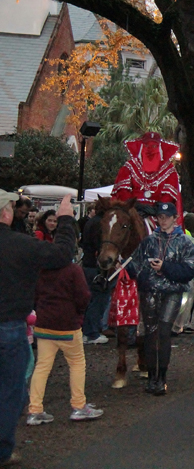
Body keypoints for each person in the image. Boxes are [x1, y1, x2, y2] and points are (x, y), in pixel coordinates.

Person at [0, 191, 76, 467]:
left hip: (12, 324)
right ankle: (2, 449)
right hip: (10, 325)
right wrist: (66, 220)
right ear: (6, 214)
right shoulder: (19, 245)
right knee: (12, 390)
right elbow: (62, 254)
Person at [126, 202, 194, 396]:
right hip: (149, 292)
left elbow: (190, 270)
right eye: (160, 217)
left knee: (164, 331)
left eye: (167, 217)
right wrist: (135, 270)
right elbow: (134, 266)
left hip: (172, 292)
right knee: (150, 332)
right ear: (156, 219)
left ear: (175, 219)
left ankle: (162, 378)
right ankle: (151, 377)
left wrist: (165, 267)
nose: (163, 220)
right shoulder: (149, 241)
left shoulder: (184, 242)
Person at [27, 260, 103, 426]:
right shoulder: (73, 270)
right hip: (68, 325)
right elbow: (84, 295)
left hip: (44, 324)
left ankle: (35, 410)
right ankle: (78, 406)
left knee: (42, 366)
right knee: (76, 363)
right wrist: (79, 314)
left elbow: (34, 293)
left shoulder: (42, 268)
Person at [111, 131, 184, 227]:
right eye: (146, 146)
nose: (150, 150)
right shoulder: (129, 167)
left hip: (159, 214)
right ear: (141, 147)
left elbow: (169, 196)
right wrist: (134, 205)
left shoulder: (169, 170)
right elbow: (122, 191)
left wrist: (157, 208)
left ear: (160, 148)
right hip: (132, 211)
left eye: (154, 147)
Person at [81, 203, 109, 345]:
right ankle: (91, 332)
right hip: (95, 265)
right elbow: (100, 244)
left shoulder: (89, 222)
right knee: (98, 299)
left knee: (90, 299)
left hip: (87, 263)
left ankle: (86, 331)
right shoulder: (100, 224)